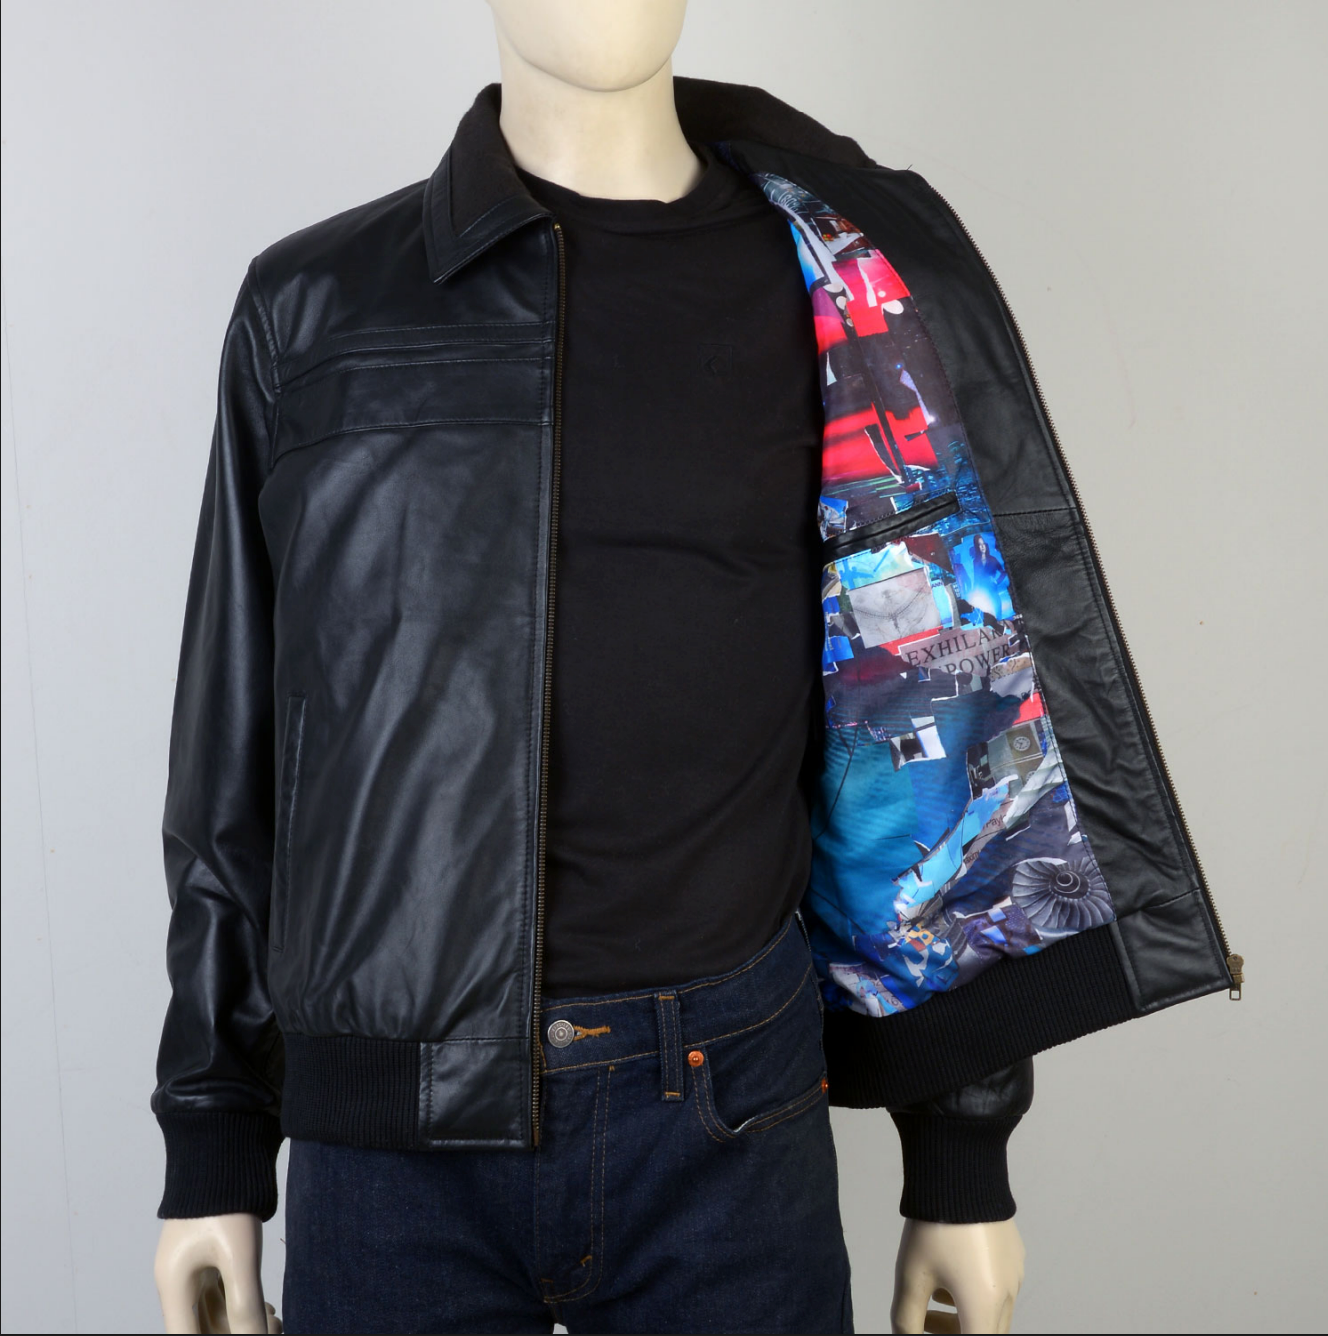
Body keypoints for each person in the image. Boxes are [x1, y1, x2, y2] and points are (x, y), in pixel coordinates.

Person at [150, 3, 1237, 1332]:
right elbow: (235, 757)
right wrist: (212, 1135)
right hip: (390, 1144)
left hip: (729, 1116)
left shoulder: (841, 289)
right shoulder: (312, 308)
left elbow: (937, 702)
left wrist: (962, 1150)